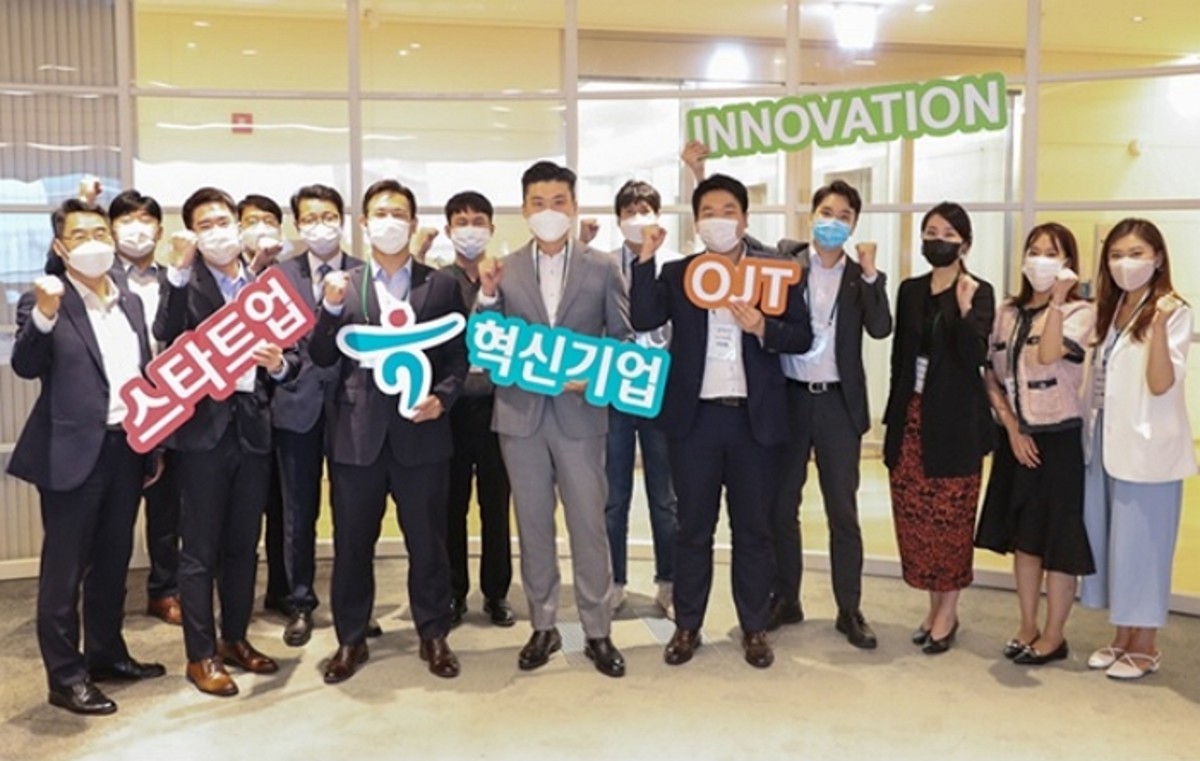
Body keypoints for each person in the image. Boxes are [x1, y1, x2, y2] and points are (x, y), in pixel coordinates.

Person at [630, 174, 812, 669]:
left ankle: (754, 627)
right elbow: (643, 318)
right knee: (693, 529)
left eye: (728, 211)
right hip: (696, 421)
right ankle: (688, 626)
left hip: (755, 421)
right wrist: (644, 260)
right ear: (696, 222)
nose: (718, 220)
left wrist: (764, 327)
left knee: (753, 530)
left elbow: (801, 336)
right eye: (708, 212)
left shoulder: (774, 273)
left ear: (745, 219)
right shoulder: (678, 273)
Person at [9, 199, 166, 715]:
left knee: (113, 562)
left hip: (126, 446)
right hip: (71, 453)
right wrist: (45, 314)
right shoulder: (43, 300)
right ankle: (65, 677)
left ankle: (106, 654)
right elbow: (26, 365)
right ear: (60, 246)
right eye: (79, 235)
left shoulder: (130, 302)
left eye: (101, 232)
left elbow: (142, 374)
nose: (93, 242)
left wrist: (151, 444)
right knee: (65, 570)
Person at [476, 161, 633, 678]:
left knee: (589, 525)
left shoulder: (602, 267)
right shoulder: (503, 268)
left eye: (558, 202)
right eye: (538, 203)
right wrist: (487, 295)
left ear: (574, 206)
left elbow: (623, 340)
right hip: (520, 416)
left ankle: (597, 630)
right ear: (524, 210)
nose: (549, 211)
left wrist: (595, 377)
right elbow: (485, 343)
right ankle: (542, 625)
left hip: (581, 416)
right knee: (533, 526)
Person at [309, 179, 466, 683]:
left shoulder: (440, 285)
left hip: (422, 434)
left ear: (414, 223)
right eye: (380, 213)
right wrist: (330, 310)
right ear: (364, 223)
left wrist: (443, 397)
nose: (390, 222)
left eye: (399, 213)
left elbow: (457, 357)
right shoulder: (343, 284)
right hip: (357, 436)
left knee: (429, 541)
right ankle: (350, 639)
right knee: (353, 543)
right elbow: (321, 356)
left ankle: (433, 633)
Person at [156, 187, 297, 696]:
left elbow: (293, 353)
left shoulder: (262, 285)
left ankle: (235, 638)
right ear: (192, 235)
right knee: (199, 551)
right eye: (205, 225)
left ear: (239, 225)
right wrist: (177, 271)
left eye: (223, 222)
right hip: (202, 435)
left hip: (253, 429)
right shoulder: (185, 282)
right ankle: (201, 655)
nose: (217, 232)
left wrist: (279, 365)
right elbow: (165, 330)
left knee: (243, 545)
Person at [770, 179, 892, 648]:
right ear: (812, 215)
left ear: (854, 224)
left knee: (843, 510)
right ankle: (787, 598)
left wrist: (871, 274)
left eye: (844, 216)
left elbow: (880, 328)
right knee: (783, 505)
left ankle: (849, 608)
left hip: (839, 404)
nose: (834, 222)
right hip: (791, 399)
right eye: (827, 212)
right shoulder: (787, 263)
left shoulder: (860, 277)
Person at [1079, 218, 1196, 680]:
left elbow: (1161, 382)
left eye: (1135, 254)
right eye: (1116, 255)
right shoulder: (1110, 308)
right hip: (1105, 437)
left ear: (1158, 258)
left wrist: (1161, 327)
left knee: (1144, 544)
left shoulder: (1173, 311)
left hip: (1148, 447)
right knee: (1114, 542)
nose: (1124, 263)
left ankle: (1146, 645)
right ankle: (1122, 635)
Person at [975, 223, 1096, 665]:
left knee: (1058, 541)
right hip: (1016, 439)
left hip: (1058, 439)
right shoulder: (1006, 311)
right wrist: (1010, 427)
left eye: (1052, 252)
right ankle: (1027, 625)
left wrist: (1058, 302)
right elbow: (991, 375)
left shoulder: (1081, 311)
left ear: (1068, 263)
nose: (1040, 260)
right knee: (1025, 539)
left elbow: (1047, 355)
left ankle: (1054, 634)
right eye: (1035, 250)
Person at [883, 201, 995, 655]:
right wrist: (892, 419)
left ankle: (948, 613)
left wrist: (964, 310)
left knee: (950, 521)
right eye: (931, 232)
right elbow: (899, 358)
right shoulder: (910, 290)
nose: (938, 240)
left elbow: (975, 357)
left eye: (948, 234)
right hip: (911, 417)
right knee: (918, 521)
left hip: (955, 424)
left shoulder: (979, 291)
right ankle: (933, 608)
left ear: (964, 243)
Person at [271, 184, 364, 646]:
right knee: (298, 511)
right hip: (296, 403)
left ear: (341, 221)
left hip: (352, 407)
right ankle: (300, 603)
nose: (320, 225)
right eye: (310, 218)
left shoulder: (364, 274)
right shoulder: (278, 276)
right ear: (297, 224)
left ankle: (354, 606)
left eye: (328, 216)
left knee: (351, 511)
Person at [108, 189, 183, 627]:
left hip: (167, 406)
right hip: (117, 411)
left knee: (166, 510)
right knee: (112, 512)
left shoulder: (174, 278)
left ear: (159, 229)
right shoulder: (98, 279)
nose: (136, 229)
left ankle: (164, 590)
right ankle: (105, 597)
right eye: (125, 220)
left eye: (145, 220)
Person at [605, 179, 680, 618]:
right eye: (629, 211)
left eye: (645, 210)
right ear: (618, 219)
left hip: (662, 391)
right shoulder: (604, 265)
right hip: (615, 390)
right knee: (613, 495)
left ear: (658, 215)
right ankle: (614, 581)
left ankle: (669, 581)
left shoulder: (674, 264)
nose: (637, 218)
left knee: (664, 497)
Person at [441, 191, 515, 629]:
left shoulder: (506, 279)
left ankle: (497, 592)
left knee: (495, 503)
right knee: (450, 504)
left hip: (495, 405)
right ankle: (453, 593)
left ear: (490, 228)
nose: (470, 229)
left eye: (478, 221)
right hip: (450, 409)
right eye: (461, 221)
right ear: (449, 230)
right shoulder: (438, 281)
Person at [235, 194, 291, 616]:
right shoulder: (229, 275)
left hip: (286, 407)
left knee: (283, 506)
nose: (261, 227)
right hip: (238, 413)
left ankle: (282, 589)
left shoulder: (287, 277)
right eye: (252, 220)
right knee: (240, 511)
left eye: (269, 220)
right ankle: (235, 597)